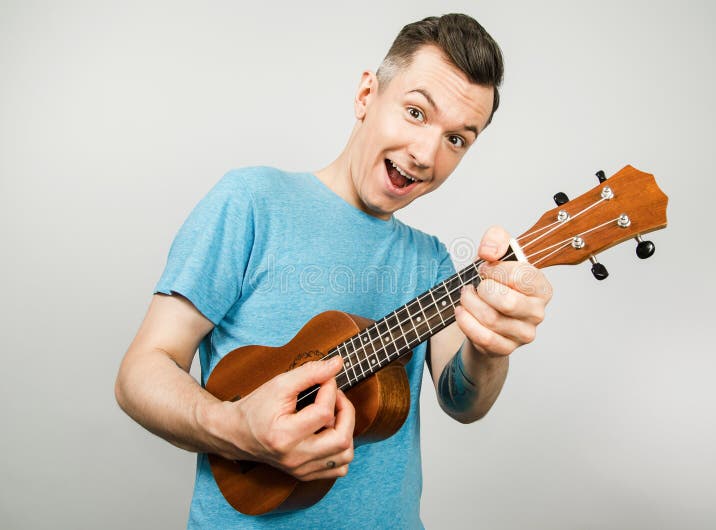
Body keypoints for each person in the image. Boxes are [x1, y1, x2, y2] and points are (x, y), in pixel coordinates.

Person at [115, 13, 552, 529]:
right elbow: (141, 372)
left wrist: (492, 345)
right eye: (416, 112)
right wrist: (234, 427)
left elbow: (463, 401)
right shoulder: (251, 202)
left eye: (457, 139)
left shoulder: (433, 261)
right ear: (367, 95)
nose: (425, 154)